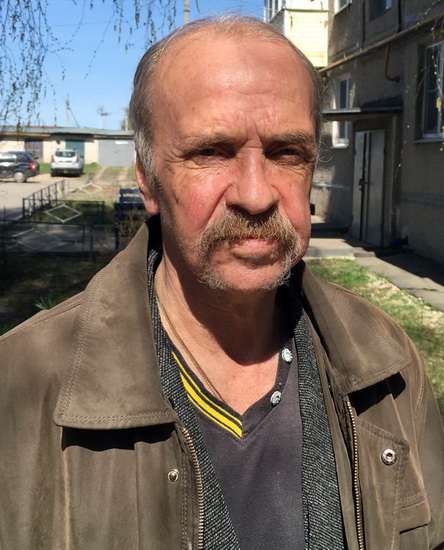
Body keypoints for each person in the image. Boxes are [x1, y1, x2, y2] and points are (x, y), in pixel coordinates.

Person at [1, 15, 443, 550]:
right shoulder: (22, 385)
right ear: (147, 180)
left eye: (287, 153)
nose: (256, 196)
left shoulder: (388, 366)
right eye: (209, 152)